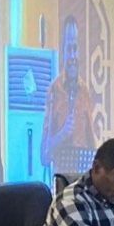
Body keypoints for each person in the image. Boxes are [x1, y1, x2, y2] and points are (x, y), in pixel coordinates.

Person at [40, 13, 95, 170]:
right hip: (61, 181)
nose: (72, 56)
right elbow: (44, 156)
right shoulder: (54, 90)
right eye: (68, 49)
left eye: (75, 49)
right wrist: (62, 134)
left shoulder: (85, 91)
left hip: (82, 180)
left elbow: (92, 145)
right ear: (63, 52)